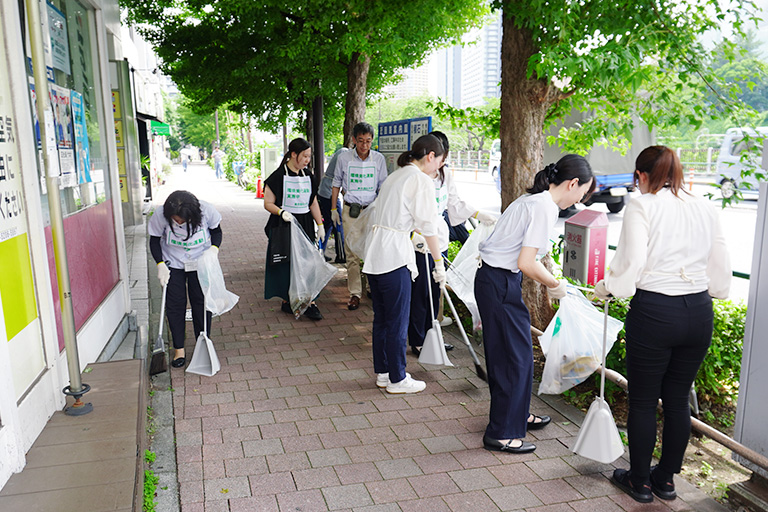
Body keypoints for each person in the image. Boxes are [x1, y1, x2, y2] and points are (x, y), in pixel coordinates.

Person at [593, 146, 731, 503]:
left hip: (655, 310)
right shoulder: (704, 205)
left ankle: (639, 481)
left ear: (641, 176)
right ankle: (666, 480)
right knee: (676, 400)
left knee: (641, 400)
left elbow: (631, 260)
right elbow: (720, 260)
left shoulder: (643, 204)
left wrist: (608, 288)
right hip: (699, 311)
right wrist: (713, 290)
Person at [476, 155, 595, 453]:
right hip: (500, 282)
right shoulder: (544, 207)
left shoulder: (533, 201)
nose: (581, 199)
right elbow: (526, 262)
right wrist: (555, 285)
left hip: (496, 281)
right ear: (573, 183)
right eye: (583, 192)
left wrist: (553, 281)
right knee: (515, 359)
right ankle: (501, 433)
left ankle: (515, 417)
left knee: (511, 355)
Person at [363, 134, 446, 394]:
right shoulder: (419, 179)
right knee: (397, 320)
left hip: (376, 253)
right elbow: (429, 225)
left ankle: (385, 374)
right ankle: (398, 378)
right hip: (394, 256)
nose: (439, 169)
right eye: (440, 163)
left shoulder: (395, 175)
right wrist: (437, 261)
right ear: (431, 156)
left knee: (383, 320)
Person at [409, 131, 497, 356]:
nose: (441, 162)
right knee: (420, 292)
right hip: (419, 241)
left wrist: (478, 213)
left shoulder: (445, 174)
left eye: (444, 158)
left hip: (439, 237)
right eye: (439, 157)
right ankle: (418, 339)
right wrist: (414, 232)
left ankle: (433, 337)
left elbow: (455, 204)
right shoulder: (415, 176)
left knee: (436, 291)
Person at [149, 190, 223, 368]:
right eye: (176, 219)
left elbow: (217, 232)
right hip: (173, 262)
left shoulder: (206, 210)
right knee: (175, 305)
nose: (179, 222)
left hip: (200, 261)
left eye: (183, 220)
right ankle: (179, 349)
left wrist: (214, 249)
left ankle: (202, 342)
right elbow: (154, 240)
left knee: (201, 303)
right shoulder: (160, 215)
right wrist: (160, 264)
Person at [263, 137, 326, 320]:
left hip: (304, 223)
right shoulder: (277, 176)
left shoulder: (308, 176)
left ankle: (310, 302)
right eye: (304, 156)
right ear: (293, 154)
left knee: (308, 261)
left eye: (309, 157)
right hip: (284, 224)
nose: (307, 160)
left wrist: (320, 224)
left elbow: (312, 202)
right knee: (286, 263)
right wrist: (281, 212)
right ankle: (287, 300)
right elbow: (268, 203)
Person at [331, 122, 388, 310]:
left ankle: (372, 288)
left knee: (372, 250)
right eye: (361, 141)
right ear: (354, 140)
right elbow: (336, 183)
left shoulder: (379, 159)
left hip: (371, 210)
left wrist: (383, 210)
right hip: (351, 210)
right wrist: (334, 209)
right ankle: (355, 293)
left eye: (368, 141)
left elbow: (383, 187)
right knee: (352, 253)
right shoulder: (344, 158)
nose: (365, 145)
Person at [317, 147, 348, 263]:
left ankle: (320, 251)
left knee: (329, 224)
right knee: (337, 222)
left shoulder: (342, 151)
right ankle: (341, 255)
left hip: (325, 191)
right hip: (329, 192)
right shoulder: (345, 155)